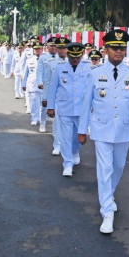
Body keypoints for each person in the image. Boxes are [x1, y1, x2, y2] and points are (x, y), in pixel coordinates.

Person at [78, 30, 129, 234]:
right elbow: (86, 103)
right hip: (101, 128)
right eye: (115, 48)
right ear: (106, 50)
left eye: (122, 48)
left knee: (119, 166)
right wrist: (82, 130)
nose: (119, 52)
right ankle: (107, 212)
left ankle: (108, 196)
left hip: (124, 128)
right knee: (104, 169)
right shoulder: (94, 73)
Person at [45, 43, 91, 176]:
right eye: (72, 56)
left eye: (77, 57)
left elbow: (92, 90)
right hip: (65, 108)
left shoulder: (88, 68)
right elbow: (53, 88)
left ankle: (75, 151)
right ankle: (67, 164)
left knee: (78, 136)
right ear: (68, 55)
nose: (75, 59)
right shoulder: (60, 68)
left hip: (82, 109)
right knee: (65, 137)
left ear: (82, 55)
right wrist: (51, 107)